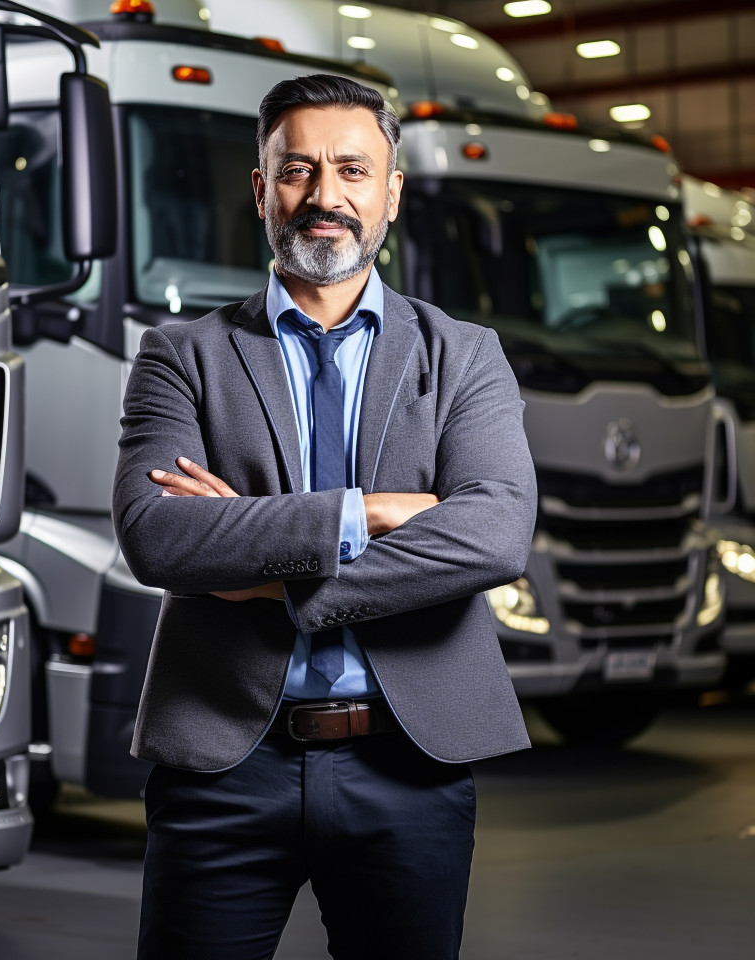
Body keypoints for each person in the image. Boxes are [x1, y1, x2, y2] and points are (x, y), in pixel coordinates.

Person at [113, 74, 536, 960]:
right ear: (263, 189)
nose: (325, 196)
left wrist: (267, 572)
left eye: (352, 169)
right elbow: (158, 536)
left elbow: (495, 532)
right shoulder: (180, 356)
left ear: (390, 191)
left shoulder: (463, 357)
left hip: (410, 766)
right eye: (297, 170)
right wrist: (371, 513)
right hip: (224, 763)